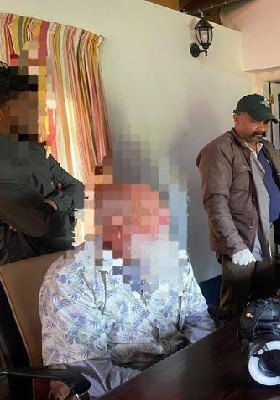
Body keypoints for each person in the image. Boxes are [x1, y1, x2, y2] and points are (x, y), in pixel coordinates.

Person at [40, 183, 215, 399]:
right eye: (151, 218)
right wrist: (167, 388)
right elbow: (90, 376)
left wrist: (204, 367)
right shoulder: (72, 277)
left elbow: (198, 318)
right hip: (117, 391)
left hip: (181, 375)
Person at [196, 94, 280, 320]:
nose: (261, 127)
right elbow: (215, 202)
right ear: (237, 118)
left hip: (266, 231)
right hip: (240, 235)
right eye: (255, 121)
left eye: (265, 122)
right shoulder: (218, 150)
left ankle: (262, 336)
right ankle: (229, 340)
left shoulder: (267, 149)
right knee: (236, 301)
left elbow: (277, 190)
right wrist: (236, 246)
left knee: (266, 295)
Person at [0, 61, 84, 265]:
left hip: (57, 262)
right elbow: (42, 225)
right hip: (19, 270)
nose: (38, 115)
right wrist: (61, 205)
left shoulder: (35, 151)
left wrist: (55, 202)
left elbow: (80, 190)